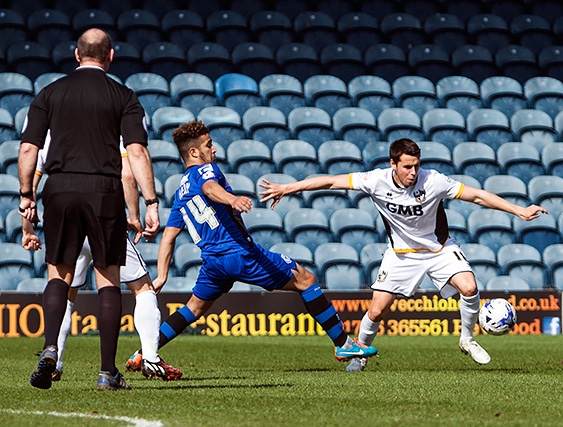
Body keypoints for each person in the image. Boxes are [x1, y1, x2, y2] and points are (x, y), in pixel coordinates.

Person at [259, 138, 548, 372]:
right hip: (401, 255)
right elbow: (331, 182)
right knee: (376, 311)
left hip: (439, 249)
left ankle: (467, 339)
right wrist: (288, 187)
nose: (413, 172)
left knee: (470, 287)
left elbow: (477, 195)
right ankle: (359, 357)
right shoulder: (375, 180)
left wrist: (519, 210)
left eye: (416, 166)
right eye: (407, 166)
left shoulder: (433, 180)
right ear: (393, 164)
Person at [126, 120, 377, 370]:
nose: (214, 150)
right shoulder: (205, 171)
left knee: (192, 308)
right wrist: (232, 198)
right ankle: (343, 343)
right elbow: (210, 188)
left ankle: (144, 352)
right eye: (208, 145)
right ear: (194, 152)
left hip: (213, 264)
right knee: (306, 280)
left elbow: (168, 237)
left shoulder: (180, 191)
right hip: (240, 254)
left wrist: (162, 276)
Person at [18, 28, 159, 391]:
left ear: (76, 55)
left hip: (60, 188)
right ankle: (107, 371)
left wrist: (26, 195)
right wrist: (151, 202)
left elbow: (28, 150)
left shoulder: (49, 93)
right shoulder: (124, 96)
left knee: (59, 275)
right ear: (110, 56)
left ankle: (50, 349)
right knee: (108, 277)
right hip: (104, 190)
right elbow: (138, 153)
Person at [21, 133, 182, 382]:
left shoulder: (53, 131)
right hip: (101, 213)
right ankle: (149, 358)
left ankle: (55, 359)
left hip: (67, 214)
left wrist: (27, 229)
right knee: (142, 287)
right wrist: (134, 214)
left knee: (65, 290)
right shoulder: (106, 125)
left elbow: (29, 183)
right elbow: (127, 173)